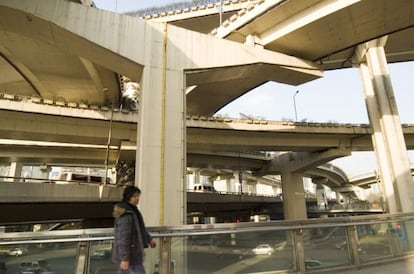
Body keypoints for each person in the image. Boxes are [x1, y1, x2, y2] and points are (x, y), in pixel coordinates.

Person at [112, 186, 156, 274]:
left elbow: (140, 228)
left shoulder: (133, 211)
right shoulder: (126, 215)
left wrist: (149, 239)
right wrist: (125, 258)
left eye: (138, 196)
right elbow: (123, 237)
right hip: (131, 255)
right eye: (135, 196)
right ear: (128, 197)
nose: (137, 198)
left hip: (133, 254)